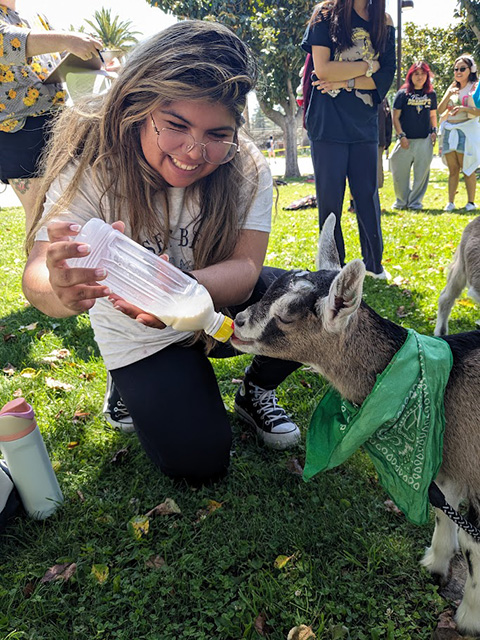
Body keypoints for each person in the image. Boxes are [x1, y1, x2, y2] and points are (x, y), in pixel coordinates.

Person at [22, 21, 302, 485]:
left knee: (311, 304)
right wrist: (58, 287)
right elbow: (37, 273)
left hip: (206, 304)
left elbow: (247, 268)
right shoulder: (93, 161)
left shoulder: (246, 162)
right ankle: (129, 384)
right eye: (175, 126)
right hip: (139, 334)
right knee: (200, 462)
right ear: (139, 106)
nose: (194, 152)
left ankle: (257, 391)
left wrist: (183, 290)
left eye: (217, 134)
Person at [301, 0, 396, 280]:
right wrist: (369, 65)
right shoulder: (325, 14)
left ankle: (374, 266)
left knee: (367, 195)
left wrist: (346, 81)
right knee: (330, 200)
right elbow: (323, 70)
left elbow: (385, 77)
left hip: (364, 124)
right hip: (327, 123)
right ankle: (331, 266)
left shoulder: (384, 21)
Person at [0, 0, 103, 233]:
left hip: (56, 121)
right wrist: (70, 40)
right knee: (39, 213)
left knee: (62, 208)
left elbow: (54, 59)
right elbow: (9, 41)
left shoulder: (35, 16)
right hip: (18, 127)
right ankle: (38, 267)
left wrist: (79, 53)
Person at [390, 61, 437, 211]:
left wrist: (434, 130)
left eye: (423, 73)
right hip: (406, 140)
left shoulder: (431, 94)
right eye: (416, 73)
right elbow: (395, 117)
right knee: (399, 173)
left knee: (421, 175)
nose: (420, 77)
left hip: (424, 140)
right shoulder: (402, 94)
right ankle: (402, 202)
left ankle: (415, 203)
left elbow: (433, 115)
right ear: (411, 75)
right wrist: (401, 135)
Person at [437, 54, 480, 212]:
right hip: (450, 130)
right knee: (453, 168)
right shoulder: (452, 87)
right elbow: (440, 109)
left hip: (467, 130)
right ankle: (450, 202)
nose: (458, 72)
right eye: (456, 69)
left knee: (468, 167)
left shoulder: (475, 86)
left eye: (462, 68)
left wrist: (463, 109)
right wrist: (449, 94)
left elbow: (479, 111)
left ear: (471, 70)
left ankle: (470, 202)